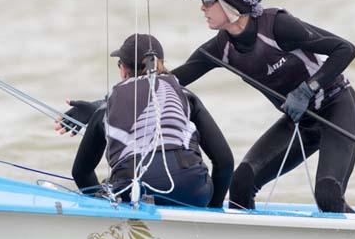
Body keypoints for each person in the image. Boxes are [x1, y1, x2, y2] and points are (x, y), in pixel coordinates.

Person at [172, 0, 355, 213]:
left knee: (327, 193)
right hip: (300, 121)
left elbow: (345, 49)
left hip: (337, 107)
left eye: (209, 0)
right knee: (241, 184)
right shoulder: (220, 49)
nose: (202, 7)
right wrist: (140, 77)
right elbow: (175, 80)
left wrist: (306, 90)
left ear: (231, 3)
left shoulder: (278, 26)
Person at [64, 33, 234, 208]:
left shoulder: (106, 107)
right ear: (160, 64)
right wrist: (213, 208)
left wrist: (100, 202)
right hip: (194, 191)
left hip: (132, 192)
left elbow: (81, 172)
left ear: (123, 69)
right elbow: (225, 162)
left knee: (110, 184)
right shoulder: (185, 96)